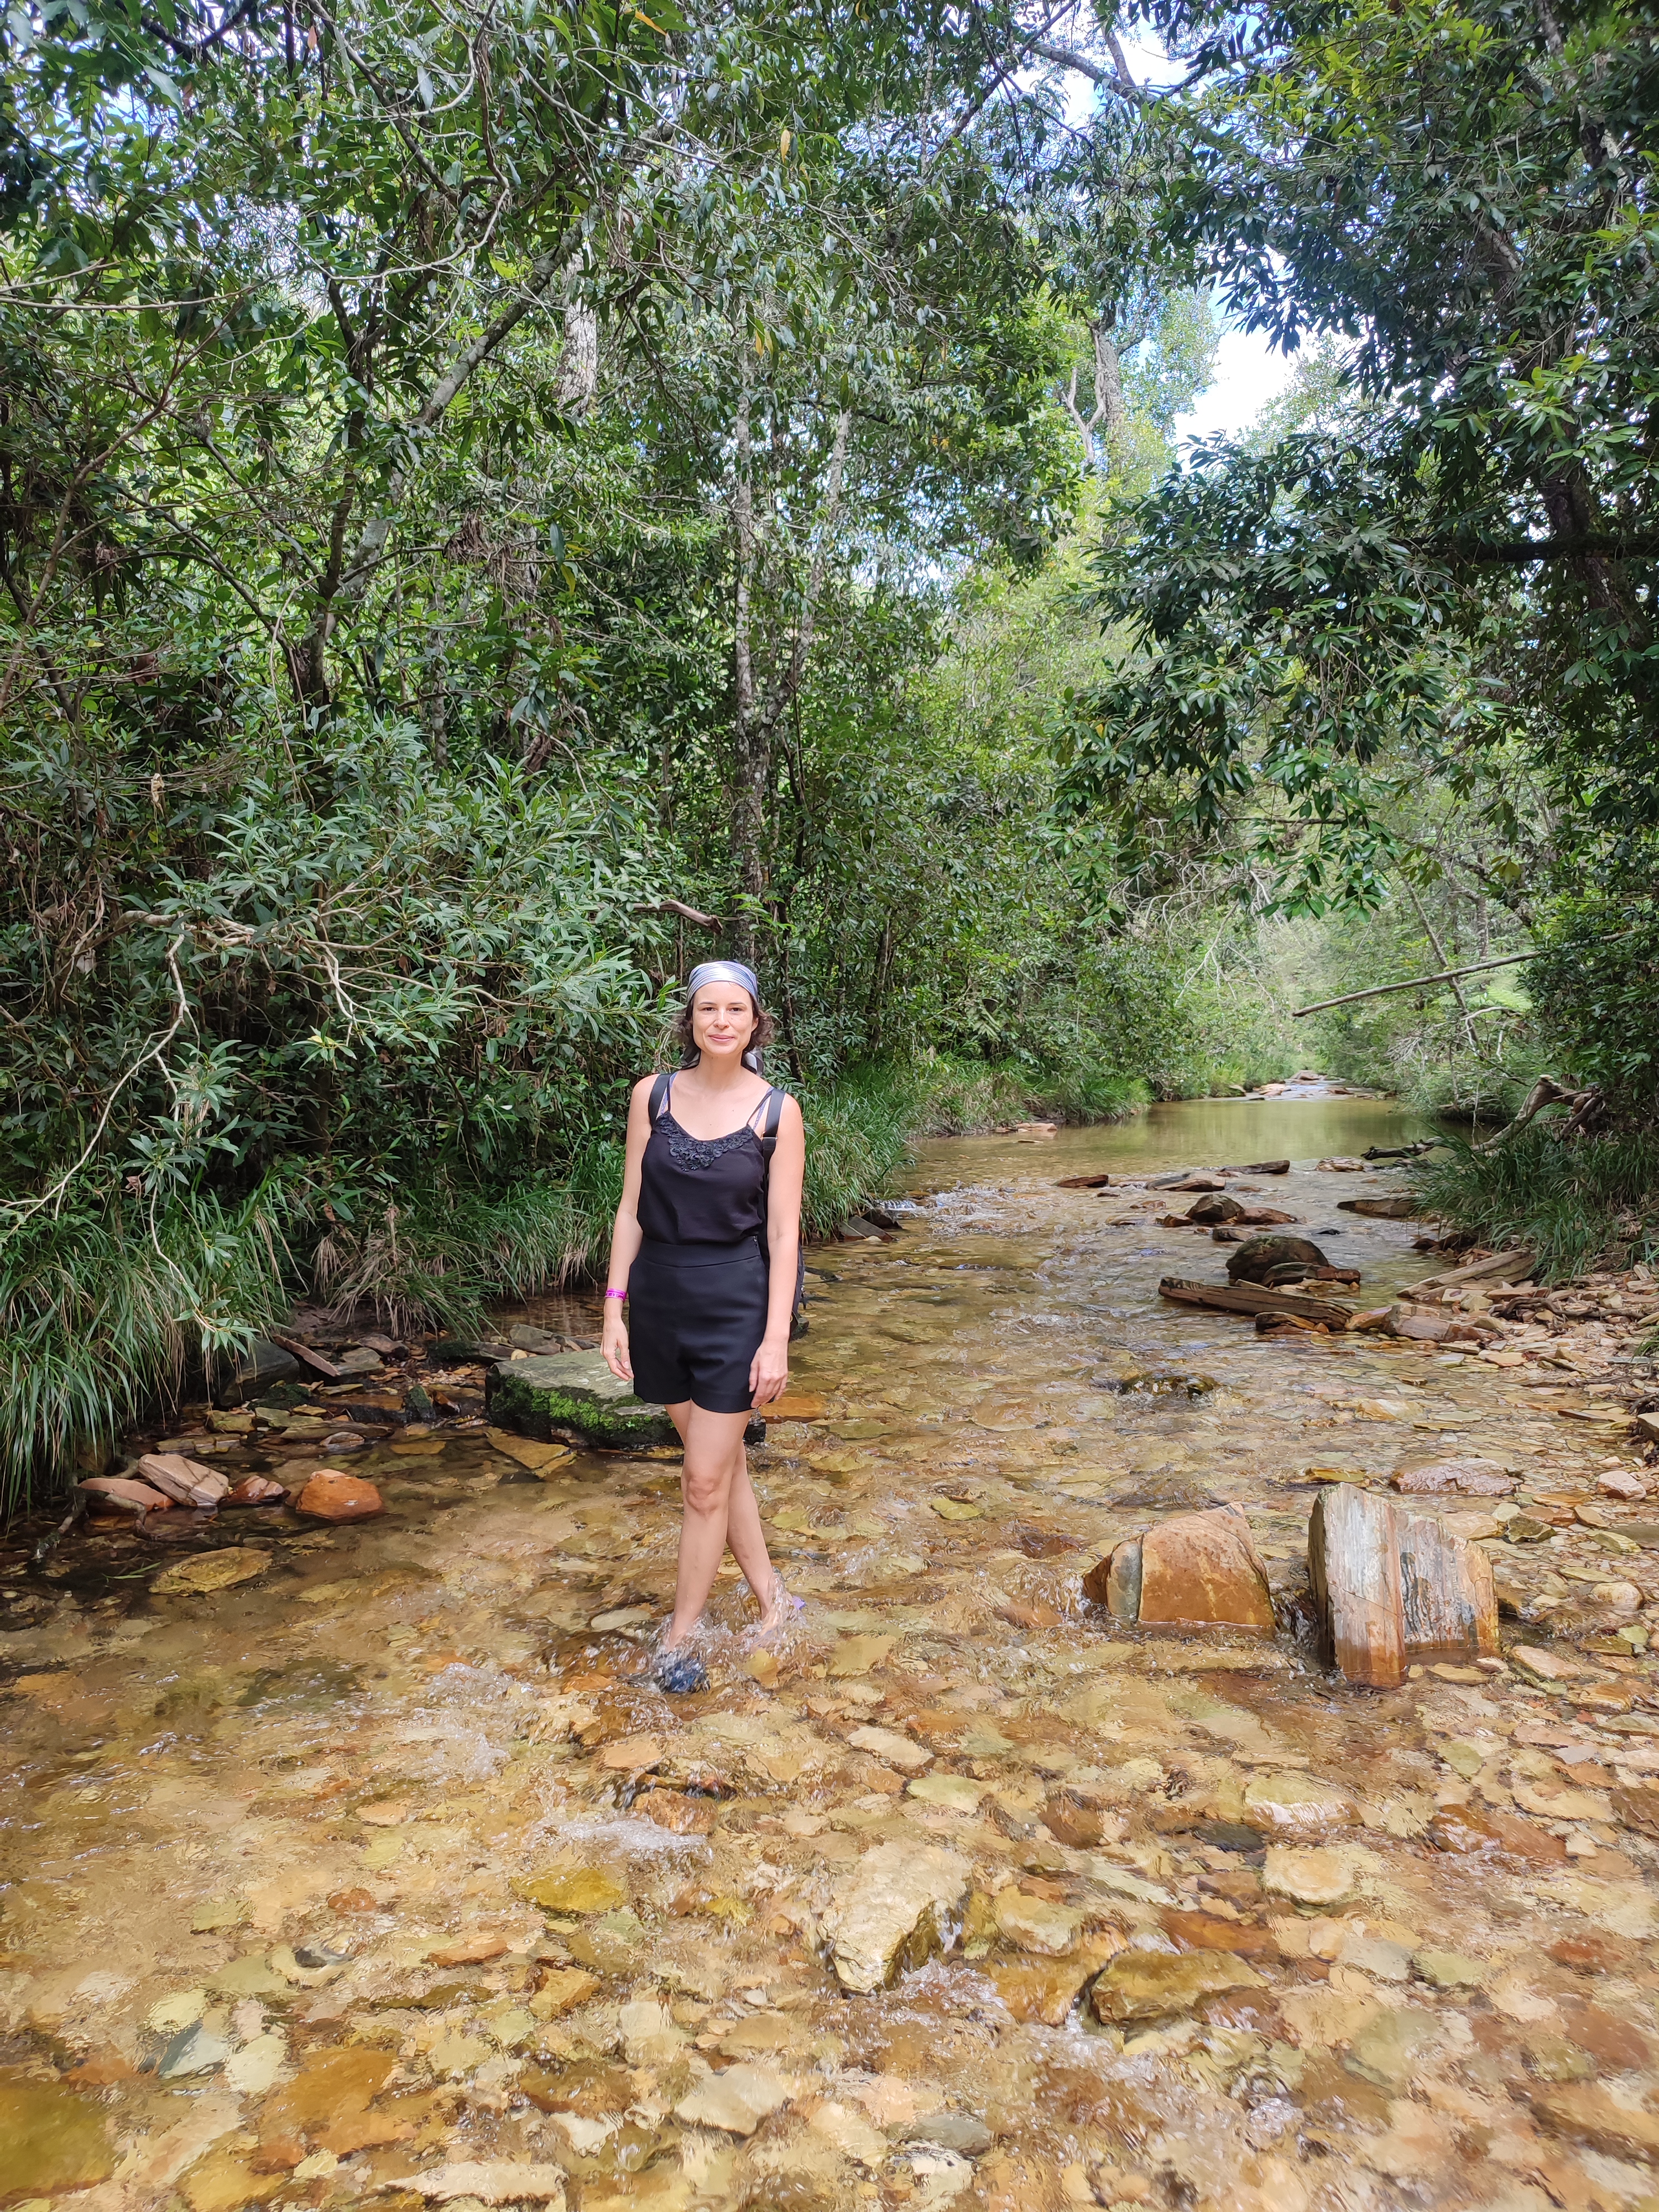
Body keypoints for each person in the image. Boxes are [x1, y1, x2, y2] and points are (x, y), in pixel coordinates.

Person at [601, 960, 806, 1693]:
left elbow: (784, 1235)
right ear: (690, 1021)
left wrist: (776, 1336)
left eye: (735, 1010)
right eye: (707, 1009)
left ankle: (679, 1635)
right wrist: (613, 1306)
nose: (721, 1021)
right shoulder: (650, 1097)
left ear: (756, 1024)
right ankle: (774, 1600)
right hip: (659, 1302)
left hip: (736, 1310)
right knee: (722, 1472)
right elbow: (629, 1208)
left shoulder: (777, 1112)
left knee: (700, 1481)